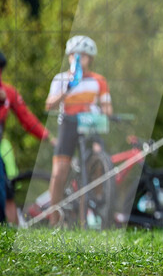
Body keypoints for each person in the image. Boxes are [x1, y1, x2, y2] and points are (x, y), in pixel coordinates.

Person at [44, 36, 112, 226]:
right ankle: (54, 219)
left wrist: (106, 114)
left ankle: (92, 215)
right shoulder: (61, 79)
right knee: (59, 171)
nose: (79, 58)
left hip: (91, 124)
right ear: (69, 57)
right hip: (68, 124)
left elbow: (107, 107)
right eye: (75, 55)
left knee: (98, 163)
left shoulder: (99, 80)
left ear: (90, 58)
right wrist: (68, 87)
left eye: (84, 55)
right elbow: (49, 104)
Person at [0, 50, 55, 224]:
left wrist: (47, 136)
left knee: (5, 189)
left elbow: (26, 118)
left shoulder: (8, 93)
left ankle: (7, 227)